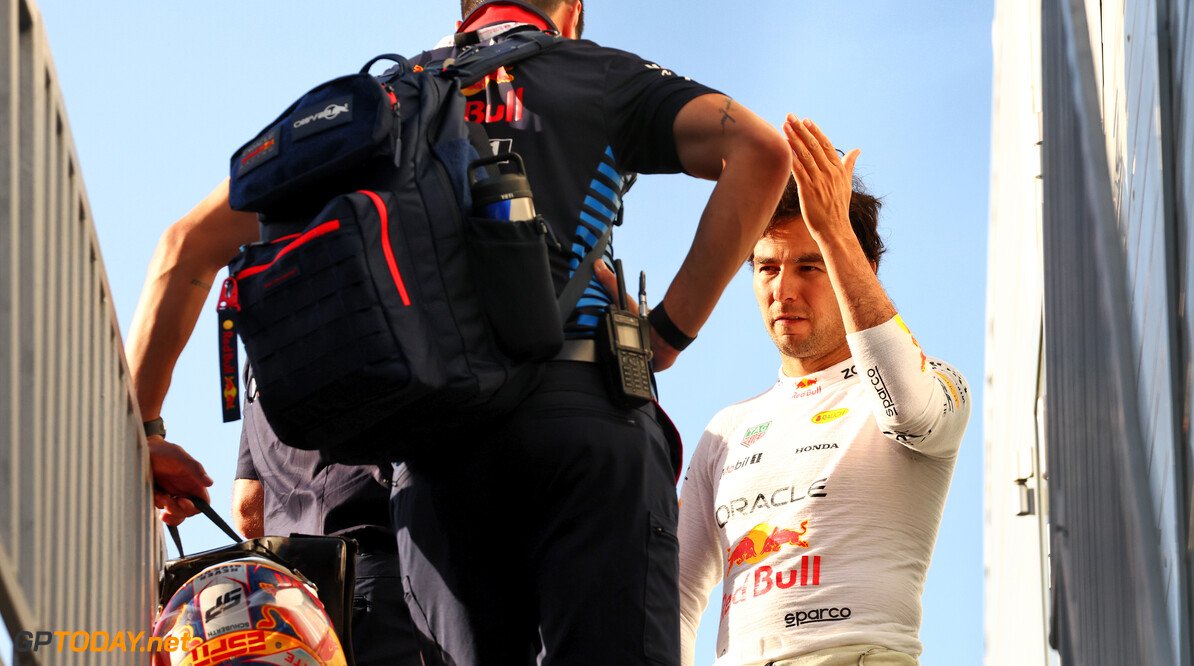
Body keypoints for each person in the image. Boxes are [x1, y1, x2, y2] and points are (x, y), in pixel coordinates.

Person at [127, 0, 790, 664]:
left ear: (464, 8)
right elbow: (759, 151)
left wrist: (145, 431)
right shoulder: (599, 73)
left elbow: (183, 248)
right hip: (583, 418)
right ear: (575, 12)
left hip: (437, 461)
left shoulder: (376, 104)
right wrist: (666, 333)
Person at [675, 117, 971, 666]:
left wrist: (835, 229)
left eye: (810, 264)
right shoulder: (725, 430)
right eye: (766, 267)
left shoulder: (934, 385)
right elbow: (673, 599)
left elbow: (908, 408)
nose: (782, 289)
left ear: (862, 265)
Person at [232, 374, 429, 666]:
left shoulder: (259, 359)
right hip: (389, 577)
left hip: (287, 603)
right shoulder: (400, 329)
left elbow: (246, 509)